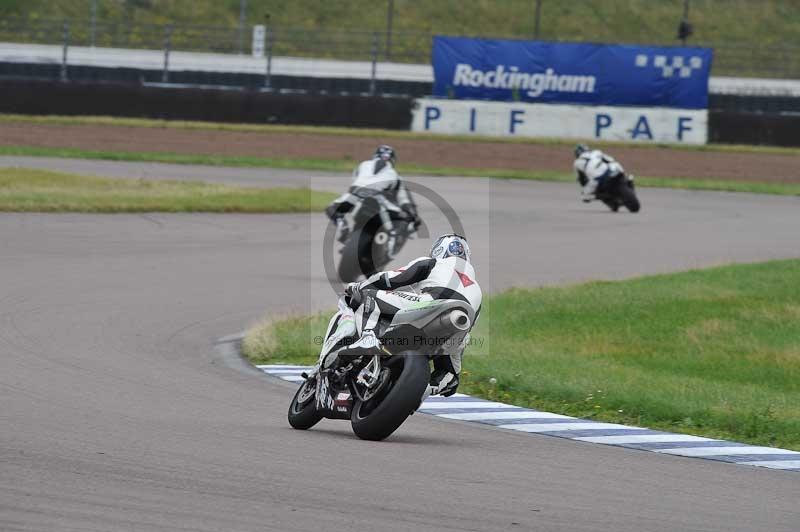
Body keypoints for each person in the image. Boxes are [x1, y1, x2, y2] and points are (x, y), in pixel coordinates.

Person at [315, 234, 482, 397]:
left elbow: (392, 278)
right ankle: (438, 384)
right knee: (454, 359)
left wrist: (360, 286)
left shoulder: (433, 262)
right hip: (459, 325)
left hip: (432, 301)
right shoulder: (476, 287)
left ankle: (368, 337)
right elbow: (466, 330)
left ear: (439, 250)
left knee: (369, 297)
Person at [325, 145, 420, 245]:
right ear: (392, 160)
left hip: (356, 195)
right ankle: (392, 237)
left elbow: (354, 183)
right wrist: (413, 215)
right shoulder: (395, 174)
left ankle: (342, 224)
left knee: (331, 208)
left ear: (375, 156)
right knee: (407, 219)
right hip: (379, 199)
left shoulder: (362, 165)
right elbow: (403, 199)